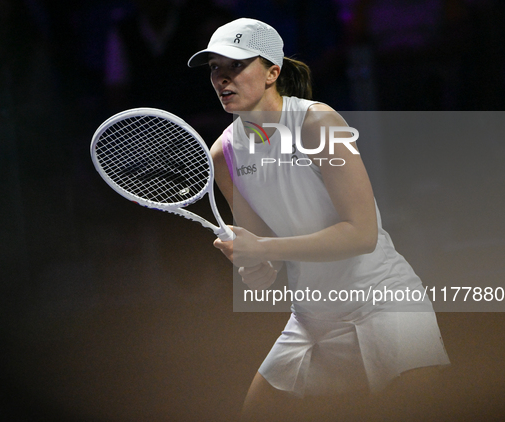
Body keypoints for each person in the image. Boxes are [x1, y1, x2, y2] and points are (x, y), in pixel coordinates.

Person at [187, 18, 450, 421]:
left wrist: (264, 249)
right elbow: (262, 256)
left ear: (273, 71)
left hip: (384, 302)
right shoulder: (224, 155)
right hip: (312, 317)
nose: (222, 78)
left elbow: (360, 234)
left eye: (235, 66)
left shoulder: (317, 123)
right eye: (214, 68)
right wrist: (254, 266)